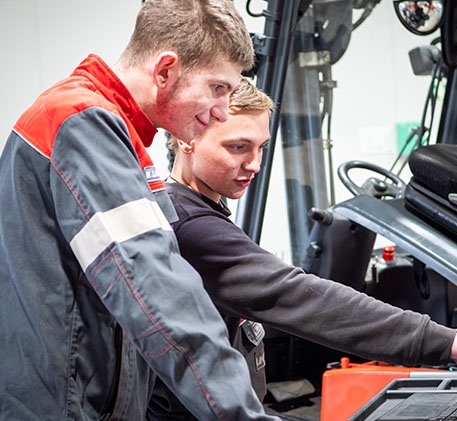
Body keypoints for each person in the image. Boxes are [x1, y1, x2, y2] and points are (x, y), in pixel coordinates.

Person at [149, 76, 457, 418]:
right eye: (238, 147)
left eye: (261, 148)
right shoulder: (190, 227)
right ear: (188, 138)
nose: (255, 163)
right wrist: (450, 344)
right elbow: (301, 296)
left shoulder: (200, 211)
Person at [0, 1, 280, 420]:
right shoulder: (81, 122)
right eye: (218, 88)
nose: (223, 110)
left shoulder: (115, 132)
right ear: (165, 70)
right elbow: (154, 286)